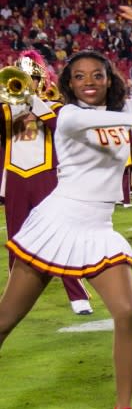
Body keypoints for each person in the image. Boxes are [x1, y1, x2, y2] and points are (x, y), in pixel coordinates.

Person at [0, 6, 132, 409]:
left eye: (97, 73)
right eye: (79, 76)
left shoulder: (121, 111)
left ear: (109, 78)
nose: (89, 80)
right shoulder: (72, 117)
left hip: (98, 229)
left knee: (127, 314)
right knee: (6, 319)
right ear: (70, 85)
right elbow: (119, 122)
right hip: (56, 225)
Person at [0, 50, 94, 315]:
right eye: (22, 78)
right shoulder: (7, 108)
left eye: (31, 78)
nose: (26, 82)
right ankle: (14, 297)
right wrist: (14, 102)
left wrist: (35, 103)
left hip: (46, 176)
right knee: (16, 239)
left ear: (41, 80)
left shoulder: (55, 107)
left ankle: (77, 294)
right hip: (17, 176)